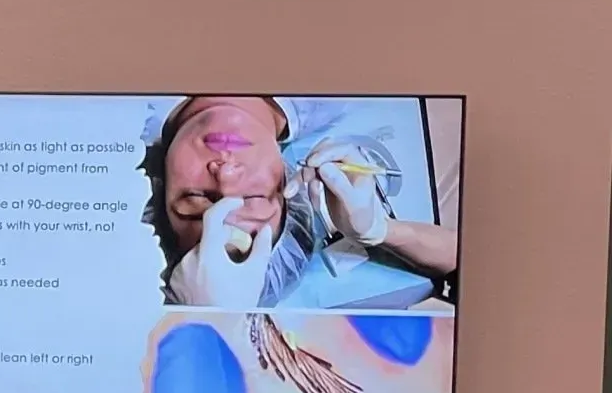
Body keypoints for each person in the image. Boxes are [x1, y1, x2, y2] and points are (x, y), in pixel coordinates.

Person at [145, 94, 456, 312]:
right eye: (253, 197)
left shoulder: (129, 112)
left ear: (161, 185)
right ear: (288, 181)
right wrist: (380, 231)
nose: (226, 173)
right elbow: (472, 267)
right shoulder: (335, 89)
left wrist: (204, 323)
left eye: (196, 198)